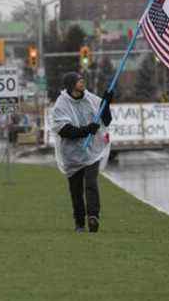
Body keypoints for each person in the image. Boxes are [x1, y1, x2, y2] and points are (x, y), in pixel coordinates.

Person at [51, 72, 113, 233]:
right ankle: (79, 222)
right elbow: (64, 130)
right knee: (76, 190)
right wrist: (86, 130)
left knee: (91, 183)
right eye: (79, 80)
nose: (82, 81)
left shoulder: (91, 99)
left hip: (92, 151)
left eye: (82, 79)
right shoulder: (61, 104)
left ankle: (93, 216)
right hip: (71, 154)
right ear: (71, 85)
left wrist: (106, 103)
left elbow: (106, 119)